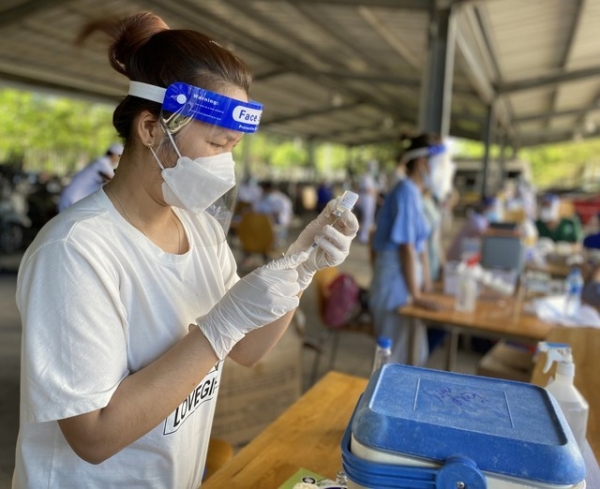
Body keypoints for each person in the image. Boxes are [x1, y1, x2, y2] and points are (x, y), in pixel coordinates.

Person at [13, 12, 358, 488]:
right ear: (151, 129)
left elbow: (248, 347)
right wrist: (220, 325)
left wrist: (300, 266)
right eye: (217, 143)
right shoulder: (76, 252)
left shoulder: (201, 230)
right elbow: (92, 436)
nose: (226, 165)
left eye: (233, 147)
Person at [369, 134, 444, 366]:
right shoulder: (405, 192)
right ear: (423, 162)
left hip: (405, 283)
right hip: (395, 285)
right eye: (439, 163)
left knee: (413, 354)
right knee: (395, 360)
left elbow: (420, 246)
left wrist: (427, 284)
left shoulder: (414, 194)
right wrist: (418, 294)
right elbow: (407, 248)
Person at [57, 143, 123, 212]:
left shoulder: (104, 163)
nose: (119, 159)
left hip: (74, 201)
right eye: (119, 156)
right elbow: (114, 180)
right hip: (72, 199)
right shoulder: (102, 162)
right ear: (113, 154)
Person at [446, 196, 498, 262]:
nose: (493, 210)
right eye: (492, 207)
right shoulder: (476, 220)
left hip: (467, 251)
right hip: (460, 253)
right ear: (485, 207)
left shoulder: (483, 219)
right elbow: (483, 233)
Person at [254, 181, 294, 246]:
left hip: (277, 228)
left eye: (265, 190)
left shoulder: (282, 200)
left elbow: (283, 219)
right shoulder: (262, 199)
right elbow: (256, 211)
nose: (263, 192)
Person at [356, 159, 380, 244]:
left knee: (369, 218)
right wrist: (375, 190)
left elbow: (374, 190)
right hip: (366, 200)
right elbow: (369, 190)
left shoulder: (371, 178)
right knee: (366, 218)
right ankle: (363, 237)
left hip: (370, 200)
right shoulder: (366, 177)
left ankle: (366, 236)